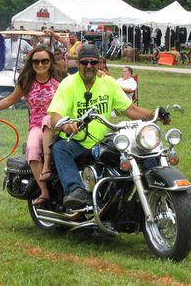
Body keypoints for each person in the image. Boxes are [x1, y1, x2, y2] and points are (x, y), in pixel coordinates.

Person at [48, 44, 168, 209]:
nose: (89, 66)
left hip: (100, 141)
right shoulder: (68, 84)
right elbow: (55, 115)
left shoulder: (108, 83)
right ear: (77, 63)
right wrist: (66, 126)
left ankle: (160, 183)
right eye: (84, 62)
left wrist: (155, 115)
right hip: (75, 141)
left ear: (99, 63)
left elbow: (131, 109)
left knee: (137, 148)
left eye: (93, 62)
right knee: (61, 148)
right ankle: (76, 190)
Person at [0, 45, 64, 205]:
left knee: (48, 119)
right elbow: (10, 99)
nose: (40, 65)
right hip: (37, 126)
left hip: (57, 124)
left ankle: (47, 166)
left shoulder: (59, 84)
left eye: (44, 61)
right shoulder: (27, 82)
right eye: (36, 61)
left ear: (50, 62)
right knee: (31, 148)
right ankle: (44, 191)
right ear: (31, 63)